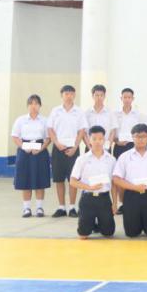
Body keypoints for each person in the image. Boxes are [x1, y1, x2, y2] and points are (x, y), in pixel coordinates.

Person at [112, 123, 147, 237]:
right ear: (132, 138)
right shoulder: (124, 156)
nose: (140, 139)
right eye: (137, 136)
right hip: (132, 196)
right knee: (132, 233)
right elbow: (116, 179)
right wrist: (135, 187)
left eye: (143, 136)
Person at [69, 126, 115, 239]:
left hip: (104, 198)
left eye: (100, 139)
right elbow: (73, 181)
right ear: (89, 140)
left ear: (104, 140)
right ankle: (90, 222)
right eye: (94, 139)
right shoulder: (82, 159)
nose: (97, 142)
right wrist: (89, 187)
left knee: (108, 233)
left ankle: (98, 222)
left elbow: (114, 183)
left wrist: (114, 203)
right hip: (87, 198)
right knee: (83, 235)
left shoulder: (111, 159)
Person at [47, 85, 86, 217]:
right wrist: (57, 143)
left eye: (71, 94)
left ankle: (72, 207)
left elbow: (81, 131)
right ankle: (61, 207)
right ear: (61, 95)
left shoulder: (79, 111)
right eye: (66, 94)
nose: (69, 96)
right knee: (58, 179)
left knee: (72, 179)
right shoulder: (55, 111)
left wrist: (75, 147)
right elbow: (50, 129)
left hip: (73, 149)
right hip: (58, 148)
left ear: (74, 95)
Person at [11, 94, 50, 217]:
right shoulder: (21, 120)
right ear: (27, 106)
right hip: (24, 151)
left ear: (40, 106)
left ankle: (39, 208)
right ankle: (26, 208)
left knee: (40, 180)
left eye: (36, 103)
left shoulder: (45, 120)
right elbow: (15, 136)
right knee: (25, 180)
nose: (34, 106)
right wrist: (24, 147)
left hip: (40, 151)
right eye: (31, 103)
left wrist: (41, 149)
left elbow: (48, 138)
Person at [84, 85, 115, 151]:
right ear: (92, 96)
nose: (99, 97)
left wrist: (107, 146)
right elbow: (84, 132)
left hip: (105, 147)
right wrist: (89, 147)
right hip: (90, 147)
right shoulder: (87, 113)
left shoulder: (110, 113)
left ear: (104, 96)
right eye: (97, 95)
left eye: (101, 95)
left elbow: (112, 131)